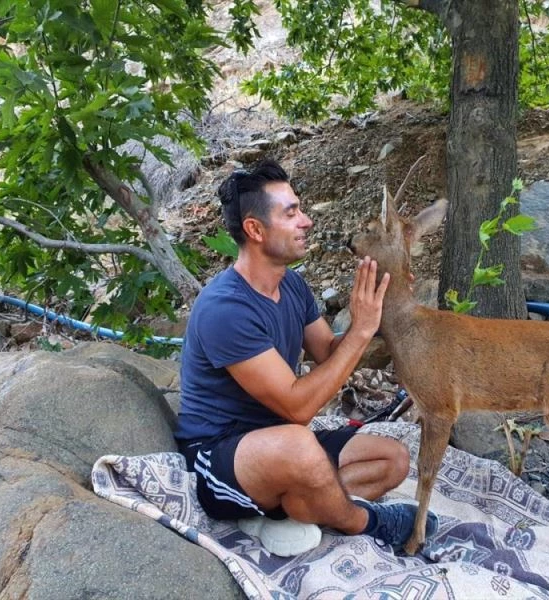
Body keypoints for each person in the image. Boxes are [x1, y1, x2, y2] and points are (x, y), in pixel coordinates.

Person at [174, 159, 438, 555]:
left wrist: (379, 312)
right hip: (221, 455)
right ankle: (368, 522)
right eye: (291, 213)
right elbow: (297, 407)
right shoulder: (225, 308)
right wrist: (361, 331)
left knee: (392, 459)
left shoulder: (292, 286)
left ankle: (287, 512)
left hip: (282, 440)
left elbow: (329, 352)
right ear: (255, 230)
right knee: (300, 446)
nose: (307, 221)